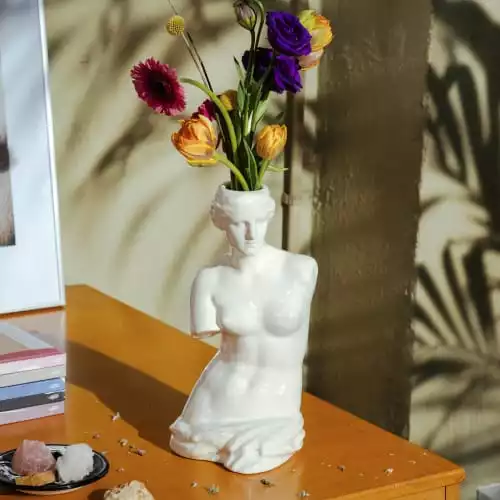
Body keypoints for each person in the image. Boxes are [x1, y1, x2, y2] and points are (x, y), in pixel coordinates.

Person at [170, 184, 318, 474]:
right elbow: (203, 330)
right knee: (187, 444)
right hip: (216, 402)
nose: (252, 233)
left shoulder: (301, 269)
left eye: (259, 221)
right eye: (239, 223)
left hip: (277, 406)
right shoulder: (210, 280)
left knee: (248, 458)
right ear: (222, 223)